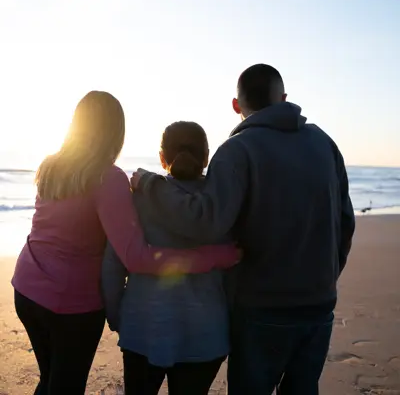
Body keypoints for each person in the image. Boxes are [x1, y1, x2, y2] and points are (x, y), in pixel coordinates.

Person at [130, 64, 356, 395]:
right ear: (283, 98)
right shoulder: (325, 144)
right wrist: (326, 277)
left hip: (261, 308)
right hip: (319, 304)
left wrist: (150, 184)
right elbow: (345, 222)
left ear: (237, 105)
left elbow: (205, 221)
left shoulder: (238, 151)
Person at [11, 91, 238, 395]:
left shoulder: (51, 165)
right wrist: (212, 257)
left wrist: (119, 313)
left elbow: (105, 257)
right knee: (65, 385)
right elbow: (135, 258)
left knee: (49, 377)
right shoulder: (108, 178)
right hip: (69, 304)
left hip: (27, 288)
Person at [102, 121, 234, 395]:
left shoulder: (137, 200)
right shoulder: (221, 203)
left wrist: (117, 317)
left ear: (162, 158)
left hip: (142, 328)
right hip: (206, 335)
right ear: (207, 157)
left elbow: (113, 266)